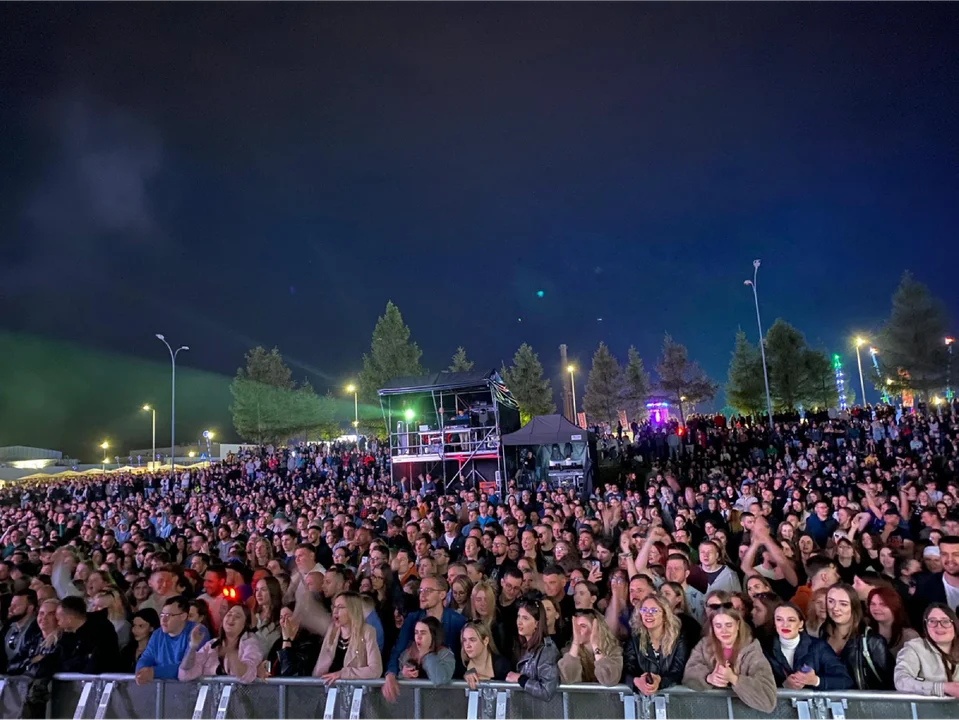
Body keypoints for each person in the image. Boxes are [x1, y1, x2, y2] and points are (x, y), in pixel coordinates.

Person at [384, 576, 465, 702]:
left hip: (448, 691)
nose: (422, 594)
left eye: (428, 590)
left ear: (442, 594)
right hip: (416, 694)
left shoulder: (457, 621)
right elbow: (398, 649)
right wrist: (391, 674)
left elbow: (465, 656)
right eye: (421, 590)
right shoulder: (412, 619)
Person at [683, 608, 777, 712]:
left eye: (729, 625)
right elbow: (688, 675)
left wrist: (734, 679)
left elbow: (768, 700)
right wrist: (708, 678)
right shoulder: (704, 646)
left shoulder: (752, 650)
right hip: (710, 711)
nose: (724, 631)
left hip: (744, 713)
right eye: (718, 626)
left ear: (738, 625)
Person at [765, 603, 853, 690]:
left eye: (791, 620)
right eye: (779, 619)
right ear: (774, 623)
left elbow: (845, 680)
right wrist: (783, 685)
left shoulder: (819, 647)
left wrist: (815, 681)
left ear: (800, 624)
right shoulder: (765, 649)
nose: (785, 625)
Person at [823, 583, 893, 690]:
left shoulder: (873, 641)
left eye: (843, 604)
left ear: (853, 606)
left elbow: (889, 684)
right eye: (831, 601)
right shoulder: (822, 634)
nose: (835, 608)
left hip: (863, 699)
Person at [178, 603, 262, 683]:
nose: (231, 619)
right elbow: (185, 674)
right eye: (229, 614)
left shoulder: (250, 643)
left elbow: (248, 675)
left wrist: (231, 652)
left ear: (245, 624)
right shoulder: (211, 645)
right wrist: (193, 646)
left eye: (237, 616)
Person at [623, 593, 688, 695]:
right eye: (644, 610)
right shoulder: (634, 640)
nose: (648, 614)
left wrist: (660, 682)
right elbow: (627, 670)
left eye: (654, 610)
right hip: (642, 697)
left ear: (665, 615)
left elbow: (678, 673)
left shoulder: (678, 640)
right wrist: (636, 681)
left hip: (673, 697)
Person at [135, 595, 210, 684]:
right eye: (162, 615)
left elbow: (187, 666)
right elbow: (146, 658)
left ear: (183, 616)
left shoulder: (198, 631)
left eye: (169, 615)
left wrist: (154, 672)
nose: (163, 620)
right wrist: (140, 671)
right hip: (163, 688)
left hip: (191, 687)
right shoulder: (157, 634)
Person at [313, 591, 382, 684]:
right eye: (334, 607)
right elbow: (320, 665)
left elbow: (375, 670)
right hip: (327, 687)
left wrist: (343, 674)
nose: (335, 611)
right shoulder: (332, 630)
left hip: (353, 689)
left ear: (352, 610)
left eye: (341, 607)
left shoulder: (367, 632)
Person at [894, 603, 959, 696]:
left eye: (945, 621)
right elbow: (901, 681)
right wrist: (941, 688)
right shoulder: (914, 648)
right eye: (932, 621)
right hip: (927, 705)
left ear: (955, 624)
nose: (939, 626)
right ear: (925, 625)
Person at [505, 596, 559, 701]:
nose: (519, 622)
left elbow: (546, 691)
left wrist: (521, 679)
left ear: (537, 623)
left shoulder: (547, 650)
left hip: (540, 708)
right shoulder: (519, 646)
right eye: (519, 616)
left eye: (525, 618)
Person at [54, 595, 120, 673]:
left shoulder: (102, 631)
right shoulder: (67, 636)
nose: (58, 624)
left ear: (69, 619)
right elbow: (56, 660)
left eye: (59, 619)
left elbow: (96, 664)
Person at [558, 608, 623, 685]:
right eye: (576, 626)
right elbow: (567, 679)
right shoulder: (570, 651)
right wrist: (575, 643)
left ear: (596, 629)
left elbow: (609, 679)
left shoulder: (613, 650)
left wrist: (595, 645)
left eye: (583, 626)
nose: (577, 631)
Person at [397, 616, 455, 685]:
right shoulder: (408, 653)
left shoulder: (445, 654)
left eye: (423, 633)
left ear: (433, 635)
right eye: (416, 632)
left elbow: (440, 679)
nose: (418, 637)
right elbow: (397, 680)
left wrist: (426, 655)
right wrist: (403, 674)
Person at [268, 604, 320, 677]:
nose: (283, 620)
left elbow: (289, 673)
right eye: (281, 617)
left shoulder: (309, 642)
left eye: (287, 617)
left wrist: (287, 640)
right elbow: (269, 667)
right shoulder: (278, 643)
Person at [866, 586, 919, 656]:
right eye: (873, 604)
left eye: (882, 604)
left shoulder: (909, 636)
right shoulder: (866, 632)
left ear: (894, 606)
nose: (876, 608)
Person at [1, 588, 42, 675]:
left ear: (30, 608)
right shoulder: (7, 628)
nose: (10, 608)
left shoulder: (38, 630)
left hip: (25, 678)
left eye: (16, 605)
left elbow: (29, 659)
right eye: (11, 605)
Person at [461, 622, 511, 688]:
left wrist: (483, 679)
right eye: (464, 640)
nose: (467, 645)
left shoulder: (501, 665)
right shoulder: (460, 666)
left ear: (486, 641)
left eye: (472, 640)